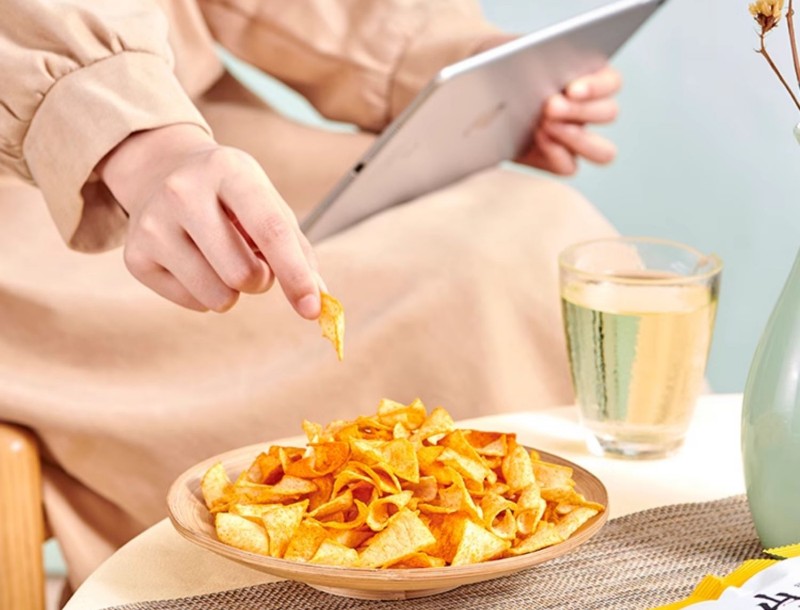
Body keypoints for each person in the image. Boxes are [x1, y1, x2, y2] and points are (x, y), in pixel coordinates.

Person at [0, 0, 620, 595]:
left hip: (188, 114)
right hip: (49, 184)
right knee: (470, 281)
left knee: (540, 231)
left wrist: (456, 67)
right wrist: (133, 135)